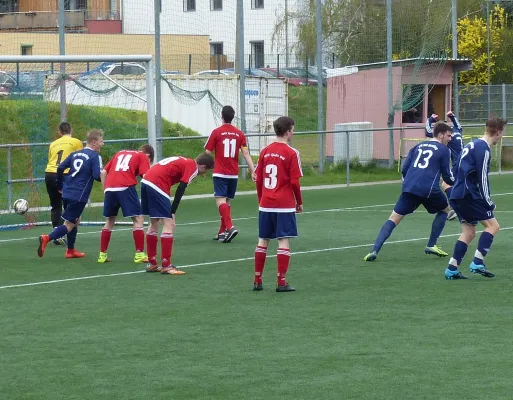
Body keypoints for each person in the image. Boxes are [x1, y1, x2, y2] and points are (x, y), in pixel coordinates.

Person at [363, 122, 455, 262]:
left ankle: (374, 250)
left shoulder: (417, 146)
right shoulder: (443, 150)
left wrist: (410, 181)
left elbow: (405, 169)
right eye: (449, 136)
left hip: (409, 187)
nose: (450, 139)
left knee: (393, 218)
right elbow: (447, 176)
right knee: (446, 210)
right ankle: (431, 244)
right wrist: (458, 182)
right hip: (429, 189)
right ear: (441, 135)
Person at [444, 117, 506, 280]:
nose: (502, 137)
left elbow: (456, 167)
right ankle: (478, 262)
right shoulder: (484, 149)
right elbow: (482, 179)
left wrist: (454, 186)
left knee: (469, 232)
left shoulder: (471, 144)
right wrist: (488, 202)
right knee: (493, 226)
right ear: (498, 132)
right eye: (502, 133)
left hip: (458, 193)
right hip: (469, 195)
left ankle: (452, 268)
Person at [142, 152, 214, 275]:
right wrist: (172, 211)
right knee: (168, 224)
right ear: (202, 166)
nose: (203, 174)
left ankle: (152, 263)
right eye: (205, 171)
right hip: (157, 183)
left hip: (146, 180)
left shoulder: (184, 160)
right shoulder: (192, 166)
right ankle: (166, 265)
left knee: (154, 221)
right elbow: (182, 188)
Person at [253, 116, 303, 292]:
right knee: (283, 240)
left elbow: (258, 179)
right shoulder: (292, 153)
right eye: (293, 129)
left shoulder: (265, 151)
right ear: (288, 131)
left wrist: (261, 198)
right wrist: (299, 202)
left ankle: (257, 280)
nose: (293, 132)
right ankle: (281, 282)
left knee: (263, 240)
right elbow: (295, 182)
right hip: (284, 204)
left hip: (265, 203)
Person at [38, 129, 105, 258]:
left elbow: (60, 168)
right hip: (79, 195)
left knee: (75, 220)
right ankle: (47, 238)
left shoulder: (75, 154)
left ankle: (70, 250)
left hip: (67, 192)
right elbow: (97, 176)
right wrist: (105, 174)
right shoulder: (95, 157)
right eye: (101, 141)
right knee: (69, 224)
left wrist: (59, 185)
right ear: (94, 142)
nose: (102, 144)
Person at [204, 105, 255, 243]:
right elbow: (246, 154)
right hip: (233, 174)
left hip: (220, 173)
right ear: (233, 117)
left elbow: (207, 153)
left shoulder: (216, 132)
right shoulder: (240, 134)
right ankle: (222, 232)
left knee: (220, 202)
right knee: (227, 202)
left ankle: (230, 227)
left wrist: (198, 167)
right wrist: (252, 170)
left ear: (222, 116)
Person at [97, 144, 155, 264]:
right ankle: (139, 254)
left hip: (109, 189)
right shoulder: (142, 156)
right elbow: (146, 177)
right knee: (138, 219)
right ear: (148, 156)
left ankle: (102, 255)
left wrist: (106, 190)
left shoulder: (120, 153)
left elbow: (103, 172)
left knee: (109, 221)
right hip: (125, 187)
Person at [44, 122, 83, 245]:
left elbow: (52, 159)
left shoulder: (53, 144)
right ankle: (64, 233)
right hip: (65, 174)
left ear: (59, 132)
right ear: (71, 130)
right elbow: (80, 159)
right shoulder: (76, 142)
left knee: (55, 205)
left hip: (50, 173)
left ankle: (56, 234)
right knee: (68, 205)